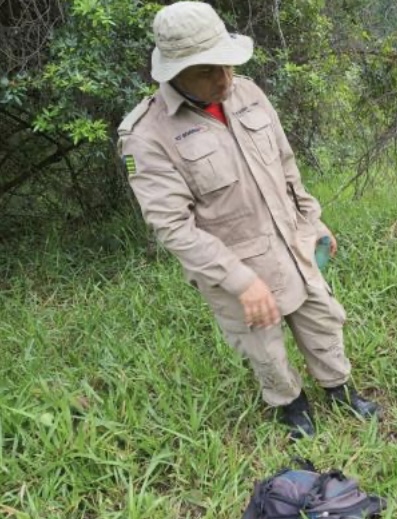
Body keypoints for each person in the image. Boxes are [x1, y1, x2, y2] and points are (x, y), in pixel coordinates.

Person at [118, 1, 379, 439]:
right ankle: (292, 405)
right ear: (172, 72)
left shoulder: (249, 93)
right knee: (265, 348)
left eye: (227, 65)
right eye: (207, 71)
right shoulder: (146, 136)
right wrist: (241, 281)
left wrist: (312, 219)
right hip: (235, 265)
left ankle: (339, 388)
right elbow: (173, 228)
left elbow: (284, 163)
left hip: (292, 243)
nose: (224, 80)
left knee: (322, 321)